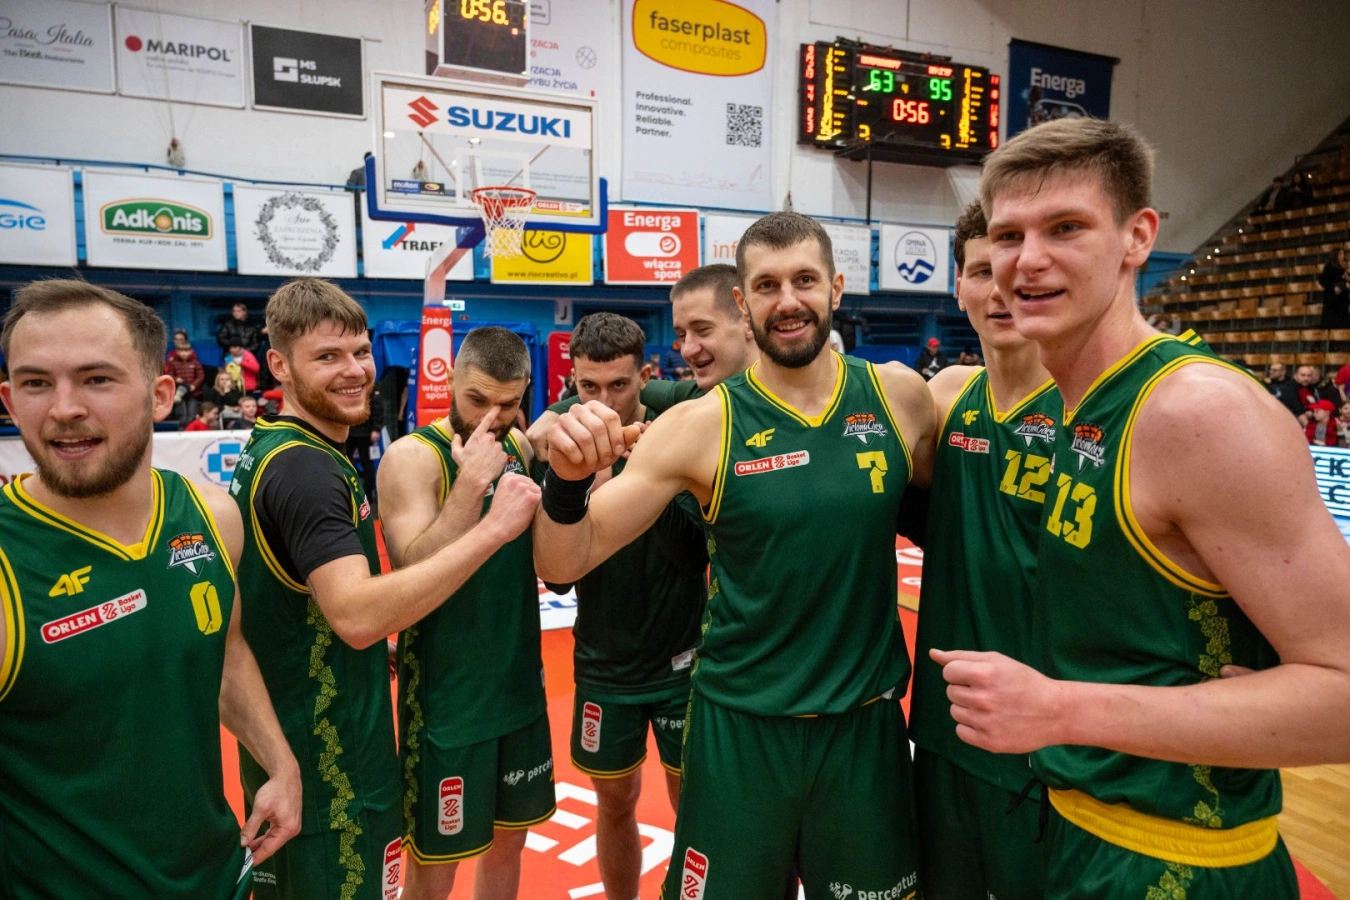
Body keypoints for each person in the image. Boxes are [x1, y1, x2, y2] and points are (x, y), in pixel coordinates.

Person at [938, 116, 1350, 898]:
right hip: (1077, 829)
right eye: (1008, 235)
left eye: (1066, 228)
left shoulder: (1197, 412)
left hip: (1182, 859)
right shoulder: (1074, 404)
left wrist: (1061, 710)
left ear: (1138, 237)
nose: (1028, 259)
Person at [535, 211, 937, 899]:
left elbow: (944, 520)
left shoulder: (900, 397)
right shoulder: (699, 425)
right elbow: (563, 561)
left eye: (805, 280)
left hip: (863, 728)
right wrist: (567, 483)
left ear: (836, 288)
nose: (789, 300)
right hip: (740, 730)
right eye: (767, 285)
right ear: (744, 304)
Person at [232, 279, 541, 900]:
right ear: (280, 366)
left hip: (309, 747)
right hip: (328, 771)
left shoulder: (284, 451)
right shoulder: (308, 469)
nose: (353, 371)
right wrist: (491, 526)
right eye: (327, 356)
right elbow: (356, 617)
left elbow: (307, 606)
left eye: (359, 351)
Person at [0, 278, 301, 898]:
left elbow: (226, 648)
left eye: (96, 379)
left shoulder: (212, 516)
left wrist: (279, 760)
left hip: (217, 874)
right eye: (35, 383)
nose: (63, 408)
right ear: (9, 399)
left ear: (162, 395)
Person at [908, 201, 1058, 899]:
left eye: (1011, 271)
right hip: (944, 731)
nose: (999, 291)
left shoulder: (1093, 409)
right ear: (958, 287)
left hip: (1048, 744)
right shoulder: (945, 397)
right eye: (979, 272)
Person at [376, 327, 553, 900]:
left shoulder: (519, 445)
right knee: (435, 867)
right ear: (451, 378)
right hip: (447, 704)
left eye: (507, 404)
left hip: (520, 689)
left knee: (510, 845)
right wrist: (471, 485)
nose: (489, 420)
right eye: (477, 399)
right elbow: (411, 573)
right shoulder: (412, 458)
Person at [548, 314, 707, 900]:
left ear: (645, 376)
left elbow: (692, 554)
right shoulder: (564, 444)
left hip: (682, 664)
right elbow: (557, 579)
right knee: (614, 803)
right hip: (603, 665)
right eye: (589, 387)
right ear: (573, 381)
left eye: (619, 385)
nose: (604, 401)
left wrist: (641, 472)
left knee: (695, 806)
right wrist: (582, 479)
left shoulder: (676, 436)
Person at [165, 328, 204, 423]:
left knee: (192, 413)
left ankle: (191, 429)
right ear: (177, 352)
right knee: (182, 414)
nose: (184, 353)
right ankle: (181, 429)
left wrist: (194, 385)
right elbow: (169, 374)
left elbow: (200, 376)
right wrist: (175, 379)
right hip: (179, 393)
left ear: (191, 351)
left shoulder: (195, 362)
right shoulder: (173, 363)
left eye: (186, 351)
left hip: (193, 393)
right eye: (181, 351)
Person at [1318, 248, 1349, 329]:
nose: (1343, 256)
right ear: (1335, 255)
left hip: (1342, 298)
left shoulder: (1345, 267)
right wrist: (1333, 287)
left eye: (1343, 254)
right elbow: (1322, 281)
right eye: (1340, 254)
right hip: (1332, 297)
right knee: (1331, 321)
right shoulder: (1329, 267)